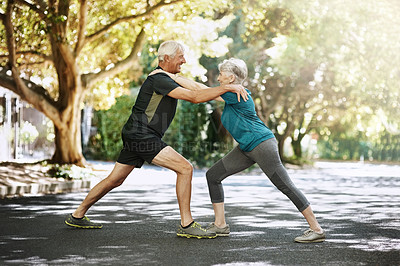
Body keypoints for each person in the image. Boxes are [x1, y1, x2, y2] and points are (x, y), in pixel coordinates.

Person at [64, 41, 248, 239]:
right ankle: (186, 225)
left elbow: (197, 87)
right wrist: (226, 89)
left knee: (114, 180)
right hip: (142, 134)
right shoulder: (159, 79)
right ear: (166, 59)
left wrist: (232, 93)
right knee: (185, 168)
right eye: (180, 57)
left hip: (136, 133)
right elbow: (194, 97)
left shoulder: (167, 77)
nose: (184, 61)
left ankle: (77, 215)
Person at [159, 58, 326, 243]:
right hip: (247, 148)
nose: (219, 77)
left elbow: (199, 90)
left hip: (261, 144)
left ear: (231, 78)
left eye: (222, 74)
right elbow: (201, 88)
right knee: (213, 176)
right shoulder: (231, 92)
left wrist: (168, 76)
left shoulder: (237, 93)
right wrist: (173, 76)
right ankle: (220, 224)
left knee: (285, 185)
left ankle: (316, 228)